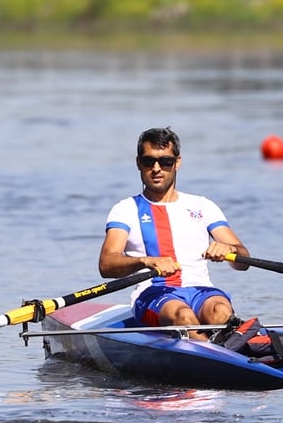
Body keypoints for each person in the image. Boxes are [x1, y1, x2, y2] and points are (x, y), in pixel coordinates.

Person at [98, 127, 250, 340]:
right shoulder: (125, 209)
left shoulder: (202, 205)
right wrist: (146, 261)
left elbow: (243, 262)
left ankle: (230, 354)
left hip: (202, 291)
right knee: (183, 316)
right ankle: (229, 359)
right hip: (154, 295)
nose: (156, 169)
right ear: (138, 163)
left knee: (222, 313)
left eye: (165, 162)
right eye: (148, 161)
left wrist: (230, 249)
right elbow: (106, 264)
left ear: (177, 162)